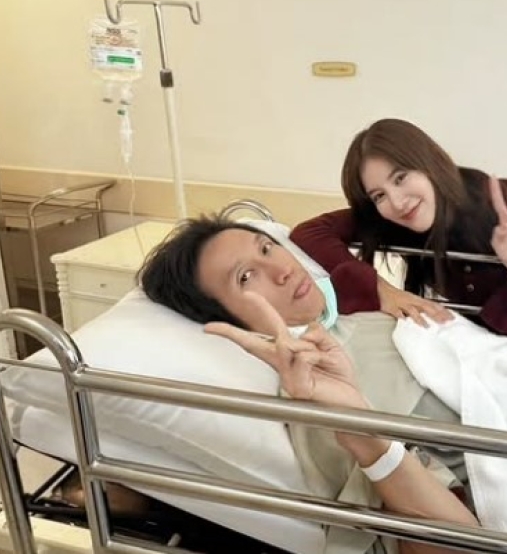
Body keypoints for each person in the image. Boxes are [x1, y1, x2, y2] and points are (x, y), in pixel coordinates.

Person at [139, 215, 480, 554]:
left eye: (267, 248)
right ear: (228, 318)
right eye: (246, 276)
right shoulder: (317, 393)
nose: (282, 270)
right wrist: (360, 428)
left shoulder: (359, 314)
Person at [290, 118, 507, 351]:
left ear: (429, 165)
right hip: (469, 346)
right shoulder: (395, 219)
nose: (397, 201)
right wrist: (379, 288)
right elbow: (309, 232)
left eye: (401, 178)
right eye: (379, 195)